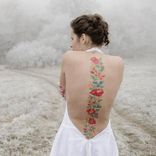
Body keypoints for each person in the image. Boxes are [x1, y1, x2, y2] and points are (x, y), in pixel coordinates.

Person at [50, 13, 124, 156]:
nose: (71, 44)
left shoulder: (69, 57)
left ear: (83, 38)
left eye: (72, 38)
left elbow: (64, 91)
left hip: (71, 139)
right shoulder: (118, 63)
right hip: (103, 142)